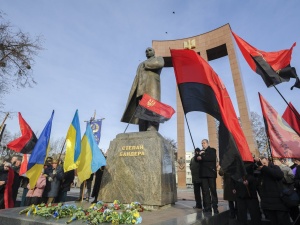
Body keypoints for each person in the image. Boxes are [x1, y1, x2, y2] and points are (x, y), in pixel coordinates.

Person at [121, 47, 165, 131]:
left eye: (150, 50)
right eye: (146, 51)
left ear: (154, 52)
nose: (147, 52)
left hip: (152, 86)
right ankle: (142, 128)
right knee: (141, 110)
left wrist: (146, 64)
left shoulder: (158, 59)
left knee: (152, 107)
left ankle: (152, 127)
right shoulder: (141, 64)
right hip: (141, 89)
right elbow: (137, 77)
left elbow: (159, 64)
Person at [257, 157, 292, 225]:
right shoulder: (261, 173)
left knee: (283, 221)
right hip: (268, 204)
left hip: (279, 203)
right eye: (262, 164)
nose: (263, 165)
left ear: (267, 160)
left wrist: (264, 168)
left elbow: (279, 175)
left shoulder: (274, 167)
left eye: (264, 163)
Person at [198, 139, 218, 214]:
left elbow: (211, 158)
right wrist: (199, 154)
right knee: (205, 191)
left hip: (211, 174)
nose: (202, 144)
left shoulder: (212, 150)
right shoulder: (201, 151)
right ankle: (207, 207)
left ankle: (215, 206)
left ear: (207, 143)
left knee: (213, 190)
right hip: (203, 174)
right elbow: (197, 159)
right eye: (202, 143)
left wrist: (202, 155)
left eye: (204, 143)